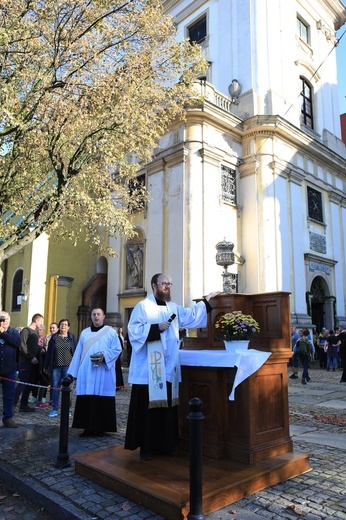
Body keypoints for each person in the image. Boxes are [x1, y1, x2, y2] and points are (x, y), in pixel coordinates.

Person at [124, 273, 218, 460]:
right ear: (154, 285)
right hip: (148, 371)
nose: (167, 286)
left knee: (166, 408)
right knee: (148, 410)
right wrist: (155, 328)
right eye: (164, 283)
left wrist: (206, 301)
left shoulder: (172, 307)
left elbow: (191, 317)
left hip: (167, 368)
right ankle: (147, 447)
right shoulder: (143, 307)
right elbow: (132, 331)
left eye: (169, 283)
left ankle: (165, 445)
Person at [67, 308, 122, 437]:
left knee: (101, 398)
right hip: (86, 371)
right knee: (87, 398)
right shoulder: (85, 333)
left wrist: (104, 356)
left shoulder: (110, 333)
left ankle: (102, 427)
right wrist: (72, 373)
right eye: (94, 315)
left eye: (98, 314)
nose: (96, 317)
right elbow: (78, 354)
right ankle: (87, 427)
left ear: (103, 317)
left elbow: (117, 349)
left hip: (103, 371)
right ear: (91, 317)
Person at [44, 318, 77, 417]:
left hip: (68, 366)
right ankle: (54, 409)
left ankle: (67, 409)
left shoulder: (72, 337)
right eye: (62, 324)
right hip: (56, 366)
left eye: (65, 324)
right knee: (55, 387)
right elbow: (49, 353)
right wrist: (46, 365)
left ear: (68, 327)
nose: (63, 326)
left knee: (67, 388)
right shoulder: (54, 338)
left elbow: (75, 352)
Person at [14, 313, 44, 412]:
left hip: (33, 363)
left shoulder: (34, 332)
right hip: (25, 362)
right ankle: (12, 403)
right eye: (41, 321)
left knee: (29, 384)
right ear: (36, 320)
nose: (41, 324)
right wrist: (31, 357)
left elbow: (33, 345)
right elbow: (22, 346)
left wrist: (40, 349)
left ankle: (24, 404)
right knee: (22, 383)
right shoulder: (26, 331)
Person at [0, 311, 21, 427]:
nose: (4, 322)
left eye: (6, 319)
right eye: (1, 319)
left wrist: (3, 333)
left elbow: (17, 343)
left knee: (9, 396)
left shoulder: (14, 332)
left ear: (9, 320)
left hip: (10, 370)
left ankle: (8, 418)